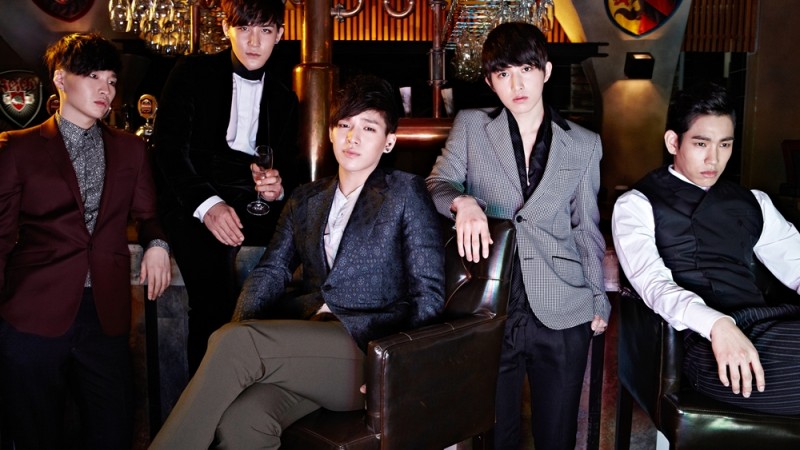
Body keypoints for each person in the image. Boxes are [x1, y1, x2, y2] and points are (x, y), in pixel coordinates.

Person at [149, 75, 445, 449]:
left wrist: (400, 370)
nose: (353, 137)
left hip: (367, 353)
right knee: (245, 421)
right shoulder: (306, 198)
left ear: (388, 141)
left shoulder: (405, 192)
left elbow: (428, 293)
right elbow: (271, 271)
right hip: (307, 345)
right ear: (331, 133)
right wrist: (243, 327)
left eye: (368, 128)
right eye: (345, 125)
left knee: (237, 343)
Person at [427, 22, 610, 450]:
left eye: (526, 69)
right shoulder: (472, 126)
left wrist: (598, 298)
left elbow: (586, 228)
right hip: (490, 306)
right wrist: (462, 202)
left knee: (557, 437)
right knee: (494, 436)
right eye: (504, 73)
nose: (517, 84)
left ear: (546, 71)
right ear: (490, 82)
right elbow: (437, 183)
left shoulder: (584, 144)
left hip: (563, 308)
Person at [0, 33, 171, 449]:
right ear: (60, 79)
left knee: (113, 432)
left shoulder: (131, 149)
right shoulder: (17, 148)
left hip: (105, 313)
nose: (105, 89)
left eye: (111, 80)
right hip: (32, 314)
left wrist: (157, 245)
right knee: (35, 437)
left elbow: (149, 215)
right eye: (93, 76)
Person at [612, 82, 800, 415]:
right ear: (673, 142)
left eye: (724, 144)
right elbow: (654, 286)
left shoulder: (752, 201)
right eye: (701, 144)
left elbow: (796, 262)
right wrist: (717, 325)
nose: (714, 159)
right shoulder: (637, 204)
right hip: (703, 343)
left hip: (769, 325)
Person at [151, 0, 305, 374]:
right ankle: (207, 395)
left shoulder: (285, 98)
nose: (254, 41)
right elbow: (167, 150)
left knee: (285, 285)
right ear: (225, 29)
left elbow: (288, 168)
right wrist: (208, 205)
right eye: (244, 28)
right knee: (212, 303)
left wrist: (277, 188)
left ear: (280, 35)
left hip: (250, 203)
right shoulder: (192, 72)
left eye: (265, 30)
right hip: (191, 198)